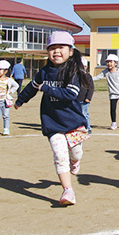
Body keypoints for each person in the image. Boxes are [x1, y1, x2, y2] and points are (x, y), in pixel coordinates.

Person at [14, 31, 90, 206]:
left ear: (70, 51)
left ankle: (75, 161)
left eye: (61, 47)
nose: (56, 51)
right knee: (59, 154)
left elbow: (70, 94)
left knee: (75, 153)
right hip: (52, 122)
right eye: (52, 48)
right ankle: (68, 190)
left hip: (73, 122)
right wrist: (20, 101)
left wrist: (47, 88)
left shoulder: (73, 71)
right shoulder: (44, 72)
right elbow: (32, 88)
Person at [77, 56, 94, 133]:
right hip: (76, 99)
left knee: (84, 113)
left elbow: (91, 88)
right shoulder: (75, 76)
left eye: (82, 66)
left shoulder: (88, 77)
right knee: (76, 114)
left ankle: (88, 127)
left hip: (84, 100)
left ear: (86, 67)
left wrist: (88, 97)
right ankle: (78, 126)